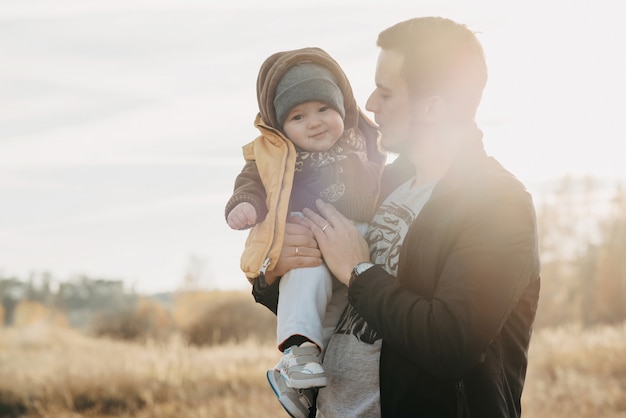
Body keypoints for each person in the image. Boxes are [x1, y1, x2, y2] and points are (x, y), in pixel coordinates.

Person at [252, 16, 541, 418]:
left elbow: (449, 344)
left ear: (433, 108)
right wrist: (272, 271)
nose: (369, 104)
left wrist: (359, 270)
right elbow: (326, 298)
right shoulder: (380, 183)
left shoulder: (497, 203)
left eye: (386, 93)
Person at [225, 47, 384, 415]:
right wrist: (245, 205)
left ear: (343, 107)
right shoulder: (280, 157)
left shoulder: (368, 143)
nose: (314, 122)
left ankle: (306, 386)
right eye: (298, 116)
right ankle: (297, 357)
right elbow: (251, 181)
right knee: (306, 286)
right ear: (281, 127)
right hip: (310, 238)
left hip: (362, 244)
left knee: (338, 328)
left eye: (324, 109)